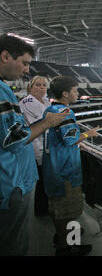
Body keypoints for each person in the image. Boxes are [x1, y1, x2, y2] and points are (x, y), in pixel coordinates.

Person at [0, 34, 69, 256]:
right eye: (25, 63)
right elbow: (13, 138)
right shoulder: (3, 91)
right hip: (12, 182)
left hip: (14, 179)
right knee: (14, 245)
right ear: (5, 56)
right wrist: (48, 122)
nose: (26, 69)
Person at [42, 76, 99, 256]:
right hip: (66, 170)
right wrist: (88, 135)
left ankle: (61, 237)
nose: (78, 93)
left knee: (57, 209)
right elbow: (70, 139)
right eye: (75, 91)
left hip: (53, 168)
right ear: (65, 93)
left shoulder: (50, 109)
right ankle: (69, 246)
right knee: (70, 213)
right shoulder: (65, 111)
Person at [19, 75, 51, 217]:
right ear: (30, 87)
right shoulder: (27, 102)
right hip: (35, 145)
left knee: (45, 179)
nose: (41, 87)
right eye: (37, 85)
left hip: (46, 145)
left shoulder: (45, 101)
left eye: (44, 85)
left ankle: (44, 206)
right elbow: (41, 124)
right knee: (41, 181)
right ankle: (41, 210)